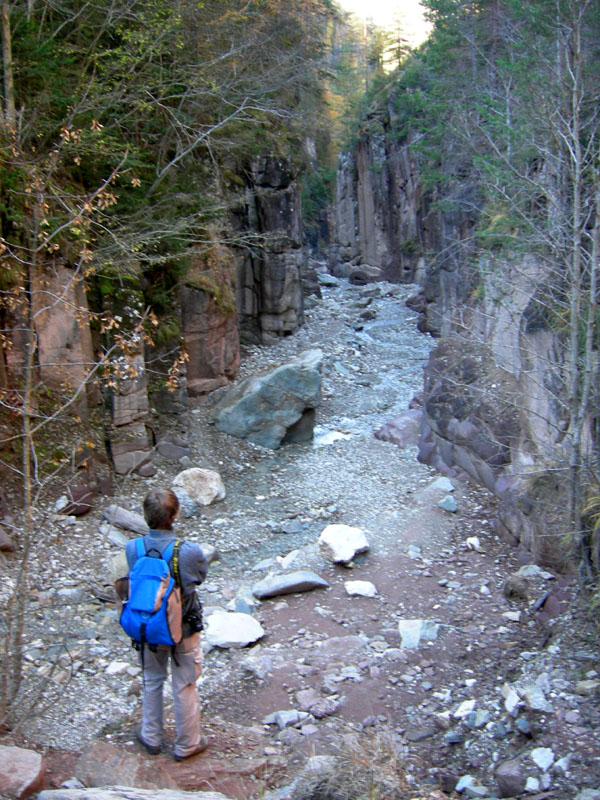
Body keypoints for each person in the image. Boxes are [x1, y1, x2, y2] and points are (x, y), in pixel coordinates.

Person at [125, 487, 209, 761]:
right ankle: (187, 744)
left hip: (147, 626)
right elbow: (199, 577)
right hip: (183, 627)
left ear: (145, 515)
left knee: (152, 679)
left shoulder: (132, 549)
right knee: (184, 684)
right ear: (175, 514)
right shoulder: (188, 551)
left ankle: (151, 736)